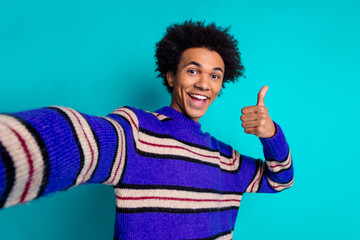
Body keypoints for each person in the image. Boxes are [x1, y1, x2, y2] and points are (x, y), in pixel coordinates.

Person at [0, 20, 293, 239]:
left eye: (214, 76)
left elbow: (281, 180)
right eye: (193, 71)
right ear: (170, 76)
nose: (204, 84)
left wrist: (271, 136)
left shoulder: (226, 159)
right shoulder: (137, 133)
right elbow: (73, 140)